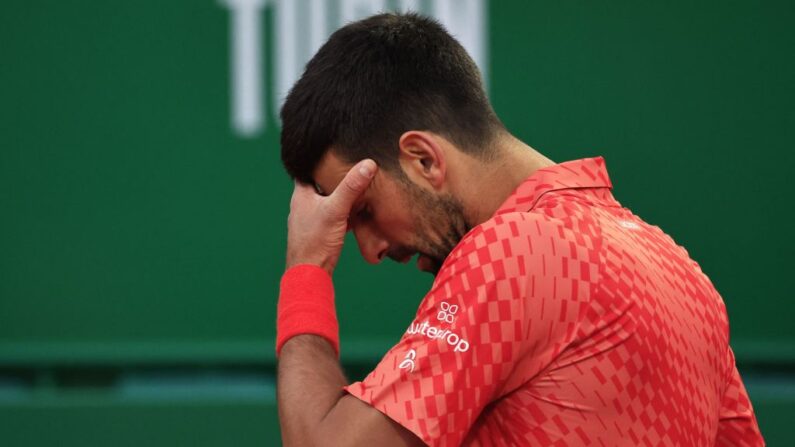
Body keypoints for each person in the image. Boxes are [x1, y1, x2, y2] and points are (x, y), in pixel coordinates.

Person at [274, 12, 764, 447]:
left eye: (364, 211)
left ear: (423, 159)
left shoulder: (513, 251)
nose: (370, 249)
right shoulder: (684, 276)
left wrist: (306, 268)